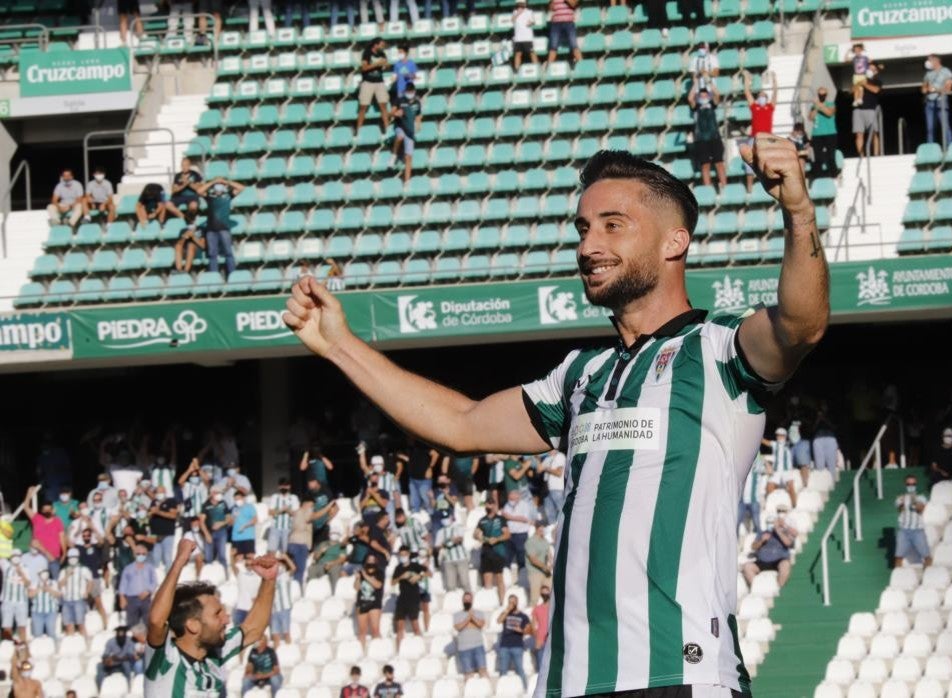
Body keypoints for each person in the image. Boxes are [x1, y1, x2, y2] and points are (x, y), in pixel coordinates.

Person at [282, 141, 828, 696]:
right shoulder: (578, 375)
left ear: (675, 241)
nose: (589, 245)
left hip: (681, 673)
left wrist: (798, 211)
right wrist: (339, 345)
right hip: (566, 683)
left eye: (613, 225)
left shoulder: (718, 352)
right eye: (583, 228)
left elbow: (799, 326)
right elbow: (462, 424)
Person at [144, 539, 279, 695]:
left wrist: (269, 580)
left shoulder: (213, 653)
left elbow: (253, 629)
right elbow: (156, 620)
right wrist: (180, 561)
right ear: (193, 625)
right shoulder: (165, 659)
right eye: (217, 614)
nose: (227, 620)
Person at [191, 177, 245, 279]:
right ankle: (214, 277)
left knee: (228, 253)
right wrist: (213, 182)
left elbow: (241, 188)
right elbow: (199, 191)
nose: (218, 190)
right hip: (211, 230)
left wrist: (226, 182)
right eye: (216, 188)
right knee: (212, 255)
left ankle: (232, 276)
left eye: (219, 187)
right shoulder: (210, 197)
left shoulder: (228, 196)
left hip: (224, 229)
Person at [741, 506, 796, 588]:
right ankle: (757, 588)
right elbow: (754, 546)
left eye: (771, 523)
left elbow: (788, 543)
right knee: (747, 567)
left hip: (778, 561)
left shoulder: (783, 532)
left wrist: (777, 530)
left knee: (785, 565)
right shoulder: (762, 533)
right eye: (768, 523)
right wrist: (762, 541)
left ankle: (779, 588)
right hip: (762, 562)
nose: (770, 525)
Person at [20, 487, 67, 579]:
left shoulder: (57, 521)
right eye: (45, 510)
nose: (47, 512)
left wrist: (64, 553)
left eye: (49, 510)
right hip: (38, 556)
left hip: (53, 557)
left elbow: (62, 538)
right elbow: (26, 507)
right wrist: (29, 493)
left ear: (52, 509)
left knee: (55, 580)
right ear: (41, 511)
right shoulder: (37, 518)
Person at [688, 83, 727, 190]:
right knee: (705, 165)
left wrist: (709, 82)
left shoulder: (712, 104)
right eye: (702, 95)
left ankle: (724, 187)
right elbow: (690, 98)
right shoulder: (696, 107)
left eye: (705, 95)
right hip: (701, 139)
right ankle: (708, 189)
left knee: (719, 163)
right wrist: (695, 84)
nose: (704, 97)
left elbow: (717, 95)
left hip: (715, 138)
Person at [744, 70, 778, 191]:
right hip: (754, 138)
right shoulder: (755, 107)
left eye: (764, 96)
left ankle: (770, 186)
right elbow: (747, 92)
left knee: (768, 163)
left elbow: (775, 94)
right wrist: (747, 80)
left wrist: (774, 81)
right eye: (760, 96)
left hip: (767, 139)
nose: (762, 98)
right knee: (749, 163)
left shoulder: (769, 107)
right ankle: (749, 189)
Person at [474, 498, 510, 605]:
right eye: (487, 504)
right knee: (487, 577)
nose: (489, 506)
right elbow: (476, 534)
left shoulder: (501, 519)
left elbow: (507, 534)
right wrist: (479, 537)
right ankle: (489, 603)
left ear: (494, 505)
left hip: (498, 551)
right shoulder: (482, 520)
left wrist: (497, 539)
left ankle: (502, 602)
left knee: (499, 576)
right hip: (486, 551)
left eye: (491, 504)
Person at [392, 546, 430, 647]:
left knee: (415, 625)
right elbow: (392, 582)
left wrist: (419, 576)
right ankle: (399, 650)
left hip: (413, 598)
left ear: (408, 555)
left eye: (405, 555)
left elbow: (428, 572)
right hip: (402, 598)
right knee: (399, 627)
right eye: (401, 555)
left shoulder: (414, 565)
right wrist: (401, 577)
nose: (403, 557)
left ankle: (420, 646)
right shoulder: (398, 568)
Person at [501, 488, 536, 591]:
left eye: (512, 498)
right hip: (509, 535)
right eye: (509, 498)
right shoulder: (507, 505)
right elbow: (505, 517)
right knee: (506, 558)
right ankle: (507, 582)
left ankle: (523, 582)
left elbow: (524, 519)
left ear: (518, 496)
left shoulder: (524, 505)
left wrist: (509, 517)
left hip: (521, 535)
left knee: (522, 558)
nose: (510, 500)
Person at [894, 475, 931, 568]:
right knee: (898, 556)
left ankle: (928, 575)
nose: (911, 486)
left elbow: (920, 509)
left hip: (918, 530)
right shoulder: (900, 497)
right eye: (908, 484)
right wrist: (903, 501)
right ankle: (898, 576)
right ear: (905, 485)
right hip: (904, 530)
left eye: (913, 484)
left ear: (916, 484)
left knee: (926, 556)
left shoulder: (921, 497)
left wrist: (914, 500)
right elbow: (900, 509)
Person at [118, 542, 159, 627]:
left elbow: (154, 582)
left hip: (146, 599)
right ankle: (133, 638)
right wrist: (122, 598)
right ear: (134, 554)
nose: (141, 556)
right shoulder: (128, 568)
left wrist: (148, 591)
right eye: (138, 554)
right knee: (132, 622)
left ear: (146, 554)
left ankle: (146, 638)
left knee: (148, 621)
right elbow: (123, 584)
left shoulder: (150, 568)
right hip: (131, 599)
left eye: (143, 554)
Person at [390, 82, 422, 184]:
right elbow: (391, 112)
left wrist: (418, 124)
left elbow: (418, 114)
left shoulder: (417, 103)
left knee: (408, 157)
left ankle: (407, 182)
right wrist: (396, 114)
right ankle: (394, 155)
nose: (409, 93)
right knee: (400, 136)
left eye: (411, 91)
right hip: (400, 126)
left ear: (414, 91)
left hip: (410, 129)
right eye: (408, 91)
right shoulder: (400, 100)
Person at [357, 38, 392, 132]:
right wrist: (377, 64)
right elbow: (364, 68)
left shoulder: (382, 54)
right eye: (381, 45)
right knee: (363, 107)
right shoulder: (367, 53)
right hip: (368, 82)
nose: (383, 47)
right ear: (375, 45)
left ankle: (387, 129)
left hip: (379, 81)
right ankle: (358, 130)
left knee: (383, 106)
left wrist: (386, 64)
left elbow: (386, 65)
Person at [496, 594, 531, 686]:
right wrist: (507, 610)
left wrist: (521, 630)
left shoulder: (523, 616)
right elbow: (499, 621)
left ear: (517, 602)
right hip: (504, 646)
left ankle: (525, 689)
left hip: (517, 646)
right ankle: (502, 689)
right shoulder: (505, 613)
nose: (511, 603)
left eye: (513, 601)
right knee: (503, 670)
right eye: (510, 602)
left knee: (520, 669)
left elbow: (529, 630)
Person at [921, 54, 952, 149]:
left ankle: (949, 146)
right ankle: (930, 148)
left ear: (936, 60)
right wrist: (927, 89)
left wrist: (936, 90)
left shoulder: (946, 72)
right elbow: (923, 88)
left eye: (929, 60)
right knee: (930, 128)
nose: (927, 62)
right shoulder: (928, 74)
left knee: (945, 126)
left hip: (941, 102)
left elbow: (948, 89)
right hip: (929, 103)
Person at [453, 592, 488, 678]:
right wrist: (468, 619)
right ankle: (469, 690)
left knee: (483, 671)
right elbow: (459, 627)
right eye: (465, 599)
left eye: (469, 599)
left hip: (478, 646)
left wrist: (472, 617)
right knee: (468, 673)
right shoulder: (456, 615)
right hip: (464, 648)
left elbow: (481, 624)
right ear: (462, 601)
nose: (467, 601)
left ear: (472, 600)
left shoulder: (479, 613)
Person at [59, 549, 93, 636]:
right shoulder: (63, 571)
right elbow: (60, 584)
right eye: (70, 557)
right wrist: (67, 575)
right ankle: (72, 643)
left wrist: (87, 592)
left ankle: (85, 643)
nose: (72, 559)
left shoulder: (84, 569)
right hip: (67, 600)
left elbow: (90, 581)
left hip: (79, 599)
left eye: (74, 557)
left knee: (80, 623)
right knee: (68, 624)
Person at [853, 62, 882, 157]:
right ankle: (861, 155)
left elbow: (876, 90)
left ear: (876, 71)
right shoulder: (860, 78)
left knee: (874, 133)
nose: (870, 70)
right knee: (859, 134)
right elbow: (852, 90)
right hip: (858, 110)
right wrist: (858, 84)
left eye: (872, 69)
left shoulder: (877, 81)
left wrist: (865, 84)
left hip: (871, 109)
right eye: (869, 68)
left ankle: (876, 155)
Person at [809, 87, 840, 179]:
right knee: (818, 158)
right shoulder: (814, 106)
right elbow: (811, 117)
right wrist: (816, 107)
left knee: (831, 156)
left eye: (823, 95)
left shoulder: (831, 104)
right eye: (820, 94)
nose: (821, 96)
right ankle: (818, 176)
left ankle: (834, 174)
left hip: (830, 133)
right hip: (817, 134)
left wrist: (819, 105)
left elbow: (829, 113)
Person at [354, 555, 384, 640]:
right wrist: (357, 579)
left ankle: (378, 648)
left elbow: (378, 585)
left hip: (374, 603)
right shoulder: (361, 572)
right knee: (362, 631)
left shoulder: (379, 572)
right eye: (369, 560)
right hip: (362, 602)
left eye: (372, 560)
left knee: (375, 630)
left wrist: (365, 576)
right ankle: (361, 651)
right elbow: (356, 588)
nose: (371, 562)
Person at [524, 520, 552, 603]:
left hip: (546, 572)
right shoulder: (531, 541)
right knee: (535, 598)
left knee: (550, 594)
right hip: (534, 572)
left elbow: (549, 555)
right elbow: (533, 559)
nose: (544, 529)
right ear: (537, 528)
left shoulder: (545, 541)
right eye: (542, 527)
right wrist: (545, 567)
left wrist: (551, 563)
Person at [546, 0, 580, 66]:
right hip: (556, 23)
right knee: (553, 46)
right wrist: (551, 2)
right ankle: (548, 69)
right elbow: (550, 9)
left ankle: (582, 65)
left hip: (569, 22)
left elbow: (574, 4)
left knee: (574, 45)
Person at [29, 570, 60, 638]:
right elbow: (30, 595)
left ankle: (54, 647)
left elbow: (58, 595)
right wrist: (39, 588)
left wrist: (49, 589)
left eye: (45, 573)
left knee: (51, 633)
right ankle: (37, 648)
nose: (44, 575)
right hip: (37, 612)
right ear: (39, 574)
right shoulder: (35, 583)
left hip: (51, 611)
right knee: (37, 634)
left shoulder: (53, 583)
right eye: (42, 573)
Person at [512, 0, 538, 68]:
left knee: (532, 53)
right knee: (518, 54)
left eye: (522, 4)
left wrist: (531, 23)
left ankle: (537, 68)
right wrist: (518, 13)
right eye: (519, 4)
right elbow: (512, 20)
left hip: (527, 38)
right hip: (518, 38)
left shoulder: (529, 12)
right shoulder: (515, 12)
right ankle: (517, 70)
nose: (521, 6)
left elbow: (533, 21)